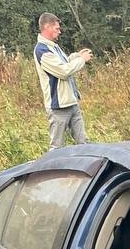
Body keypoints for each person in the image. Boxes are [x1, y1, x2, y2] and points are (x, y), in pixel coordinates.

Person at [34, 12, 92, 149]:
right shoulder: (42, 50)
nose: (59, 31)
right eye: (57, 28)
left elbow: (65, 63)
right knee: (57, 148)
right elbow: (64, 72)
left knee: (84, 143)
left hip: (71, 102)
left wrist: (76, 56)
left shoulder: (53, 46)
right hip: (58, 107)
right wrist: (82, 60)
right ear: (47, 27)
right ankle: (52, 170)